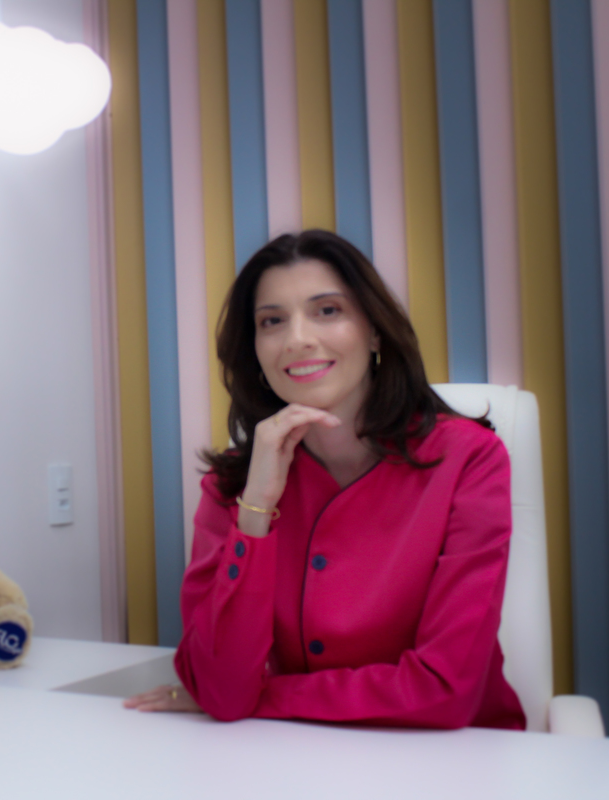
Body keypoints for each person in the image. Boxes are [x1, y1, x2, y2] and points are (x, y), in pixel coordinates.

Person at [123, 230, 525, 729]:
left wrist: (264, 698)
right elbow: (221, 688)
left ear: (374, 332)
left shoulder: (469, 459)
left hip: (454, 754)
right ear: (255, 348)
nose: (297, 339)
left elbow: (444, 690)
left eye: (327, 310)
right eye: (272, 321)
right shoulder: (237, 483)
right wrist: (257, 509)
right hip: (298, 752)